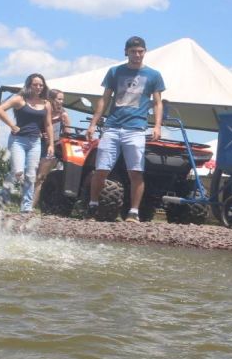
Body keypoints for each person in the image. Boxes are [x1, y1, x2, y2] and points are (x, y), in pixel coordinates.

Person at [85, 35, 165, 222]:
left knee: (136, 171)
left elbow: (158, 102)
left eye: (140, 51)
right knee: (101, 169)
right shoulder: (115, 71)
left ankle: (133, 212)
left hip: (136, 128)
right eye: (133, 52)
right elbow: (104, 98)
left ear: (145, 52)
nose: (137, 55)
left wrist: (158, 125)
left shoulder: (153, 75)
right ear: (126, 52)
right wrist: (93, 123)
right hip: (112, 126)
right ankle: (93, 205)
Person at [0, 73, 53, 214]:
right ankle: (3, 196)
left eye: (41, 85)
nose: (38, 87)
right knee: (18, 172)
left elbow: (48, 124)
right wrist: (12, 125)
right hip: (18, 140)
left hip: (35, 141)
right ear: (29, 85)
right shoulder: (20, 99)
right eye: (35, 84)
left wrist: (50, 144)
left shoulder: (46, 104)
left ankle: (26, 207)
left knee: (31, 174)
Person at [34, 88, 71, 197]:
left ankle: (32, 204)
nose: (61, 102)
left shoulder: (63, 115)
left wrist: (55, 138)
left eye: (62, 99)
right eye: (59, 99)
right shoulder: (42, 111)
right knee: (30, 173)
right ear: (50, 99)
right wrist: (39, 133)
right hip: (36, 143)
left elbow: (68, 134)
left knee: (41, 176)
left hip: (51, 146)